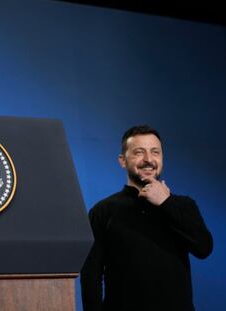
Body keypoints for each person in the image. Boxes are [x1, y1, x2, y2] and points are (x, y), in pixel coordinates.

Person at [80, 125, 213, 311]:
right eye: (139, 153)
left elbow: (203, 248)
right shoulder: (103, 211)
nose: (149, 160)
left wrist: (165, 203)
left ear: (162, 158)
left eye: (155, 152)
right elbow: (91, 275)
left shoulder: (184, 205)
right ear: (122, 160)